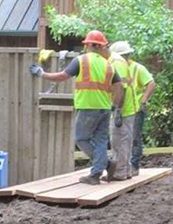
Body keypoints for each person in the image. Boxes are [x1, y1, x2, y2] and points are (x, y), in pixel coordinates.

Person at [29, 30, 124, 185]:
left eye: (87, 44)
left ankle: (101, 168)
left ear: (90, 45)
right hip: (105, 108)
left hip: (88, 107)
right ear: (100, 46)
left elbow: (62, 76)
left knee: (81, 138)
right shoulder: (108, 65)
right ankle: (102, 168)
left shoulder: (82, 60)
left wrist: (41, 73)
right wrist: (116, 106)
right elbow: (119, 86)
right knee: (100, 141)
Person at [108, 41, 156, 178]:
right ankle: (128, 168)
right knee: (127, 139)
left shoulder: (135, 68)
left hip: (132, 108)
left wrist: (143, 100)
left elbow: (151, 83)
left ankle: (130, 167)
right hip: (128, 107)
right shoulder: (121, 66)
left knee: (131, 139)